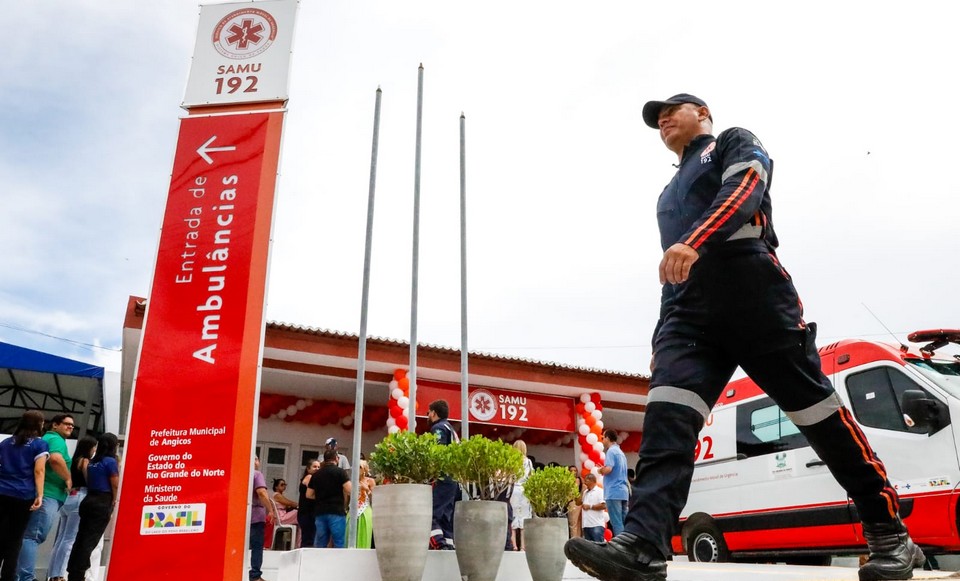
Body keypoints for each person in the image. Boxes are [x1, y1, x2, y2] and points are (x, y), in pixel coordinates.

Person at [564, 93, 926, 581]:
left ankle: (889, 534)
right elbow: (672, 267)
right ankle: (643, 547)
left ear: (703, 114)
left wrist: (695, 241)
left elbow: (746, 190)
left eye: (673, 109)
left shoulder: (733, 142)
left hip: (755, 296)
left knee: (819, 417)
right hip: (688, 314)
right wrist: (661, 335)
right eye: (657, 118)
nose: (663, 119)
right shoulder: (667, 194)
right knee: (668, 418)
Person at [17, 414, 73, 581]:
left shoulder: (45, 439)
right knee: (33, 536)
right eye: (67, 424)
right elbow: (55, 459)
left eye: (72, 425)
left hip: (43, 493)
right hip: (48, 494)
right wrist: (67, 478)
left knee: (28, 535)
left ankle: (19, 574)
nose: (70, 427)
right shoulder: (55, 439)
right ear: (54, 425)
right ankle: (26, 577)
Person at [0, 410, 48, 581]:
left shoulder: (6, 443)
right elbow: (39, 470)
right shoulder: (40, 445)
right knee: (15, 539)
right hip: (23, 495)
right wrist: (40, 495)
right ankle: (8, 576)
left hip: (2, 492)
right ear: (39, 424)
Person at [66, 432, 119, 581]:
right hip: (102, 500)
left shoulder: (93, 462)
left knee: (81, 537)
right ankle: (80, 572)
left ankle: (73, 570)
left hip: (89, 499)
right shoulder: (110, 461)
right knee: (91, 540)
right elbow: (115, 483)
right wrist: (114, 500)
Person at [47, 435, 97, 581]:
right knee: (70, 539)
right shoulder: (85, 461)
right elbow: (89, 480)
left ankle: (53, 574)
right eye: (94, 447)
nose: (94, 450)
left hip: (68, 497)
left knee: (61, 538)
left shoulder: (73, 460)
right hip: (80, 497)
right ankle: (59, 575)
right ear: (90, 447)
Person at [427, 399, 459, 550]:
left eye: (429, 412)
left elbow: (438, 452)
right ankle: (448, 545)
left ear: (434, 413)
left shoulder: (438, 428)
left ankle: (438, 543)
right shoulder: (450, 428)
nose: (428, 415)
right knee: (446, 515)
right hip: (453, 479)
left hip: (442, 478)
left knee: (431, 512)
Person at [307, 449, 350, 548]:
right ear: (336, 458)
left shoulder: (316, 474)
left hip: (320, 512)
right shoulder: (340, 472)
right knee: (338, 542)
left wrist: (321, 495)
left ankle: (319, 558)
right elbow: (349, 490)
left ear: (325, 459)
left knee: (320, 543)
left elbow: (308, 494)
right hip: (336, 511)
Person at [246, 456, 275, 581]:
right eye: (255, 458)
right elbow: (262, 493)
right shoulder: (256, 474)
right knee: (257, 547)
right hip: (256, 516)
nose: (256, 461)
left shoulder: (240, 474)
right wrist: (270, 510)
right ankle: (255, 575)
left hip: (240, 515)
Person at [597, 429, 629, 536]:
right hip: (623, 491)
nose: (602, 440)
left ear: (607, 438)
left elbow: (608, 469)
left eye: (603, 438)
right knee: (625, 521)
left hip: (613, 491)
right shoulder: (621, 453)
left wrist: (601, 470)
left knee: (617, 522)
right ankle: (628, 542)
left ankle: (621, 544)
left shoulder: (611, 451)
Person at [509, 440, 533, 550]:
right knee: (525, 516)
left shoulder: (511, 460)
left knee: (513, 515)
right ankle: (523, 546)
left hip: (513, 489)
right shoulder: (528, 462)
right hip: (524, 490)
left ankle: (514, 544)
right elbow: (531, 477)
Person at [347, 460, 376, 548]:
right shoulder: (351, 482)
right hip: (352, 510)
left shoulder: (370, 481)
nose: (357, 469)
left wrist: (367, 489)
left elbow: (375, 497)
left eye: (360, 467)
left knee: (364, 532)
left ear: (364, 470)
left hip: (365, 509)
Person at [297, 459, 321, 548]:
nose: (317, 469)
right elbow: (313, 490)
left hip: (308, 512)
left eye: (319, 467)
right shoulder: (309, 477)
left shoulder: (313, 478)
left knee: (309, 536)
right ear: (308, 468)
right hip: (307, 512)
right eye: (314, 467)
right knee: (308, 538)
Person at [578, 474, 607, 543]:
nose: (585, 483)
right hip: (586, 525)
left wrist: (590, 506)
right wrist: (581, 492)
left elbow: (604, 505)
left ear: (592, 481)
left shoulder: (600, 491)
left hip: (596, 525)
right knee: (589, 547)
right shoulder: (585, 492)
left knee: (598, 546)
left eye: (586, 481)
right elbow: (578, 503)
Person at [271, 478, 299, 547]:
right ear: (276, 487)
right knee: (299, 513)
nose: (284, 486)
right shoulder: (277, 495)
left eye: (285, 485)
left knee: (300, 520)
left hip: (282, 516)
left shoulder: (280, 495)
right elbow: (289, 503)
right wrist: (299, 505)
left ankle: (298, 543)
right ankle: (298, 544)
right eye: (282, 485)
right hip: (281, 517)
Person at [566, 465, 583, 539]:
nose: (573, 472)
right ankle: (577, 539)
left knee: (574, 523)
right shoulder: (568, 480)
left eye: (575, 470)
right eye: (571, 470)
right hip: (575, 503)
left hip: (574, 502)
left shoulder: (577, 480)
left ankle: (575, 539)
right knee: (576, 523)